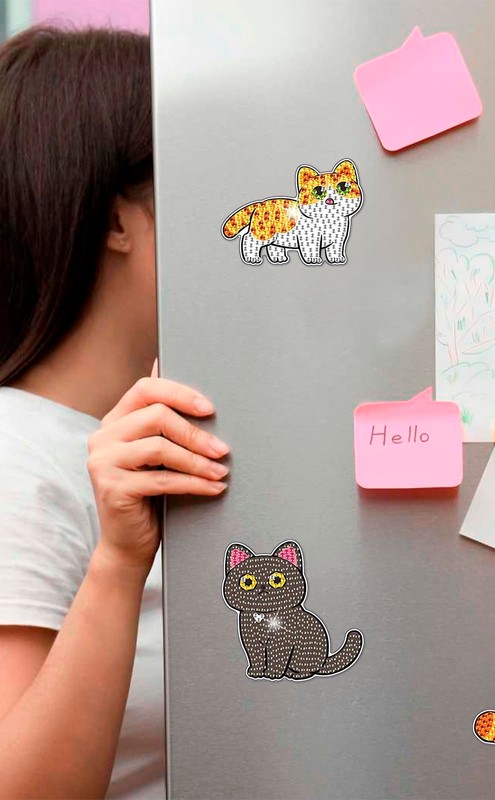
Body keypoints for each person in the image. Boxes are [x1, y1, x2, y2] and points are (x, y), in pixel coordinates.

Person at [0, 26, 229, 798]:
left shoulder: (133, 430)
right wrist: (119, 562)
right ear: (116, 220)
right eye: (198, 179)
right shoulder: (15, 457)